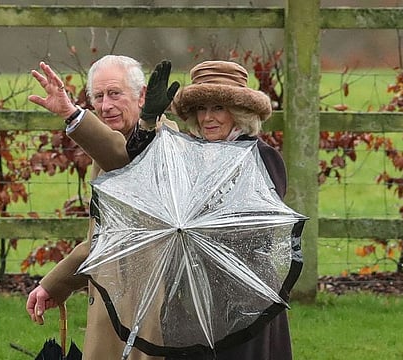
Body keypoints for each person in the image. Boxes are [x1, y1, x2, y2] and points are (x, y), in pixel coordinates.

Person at [26, 55, 178, 360]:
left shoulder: (165, 140)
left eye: (114, 93)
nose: (105, 105)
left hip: (148, 311)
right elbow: (104, 238)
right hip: (112, 308)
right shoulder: (110, 144)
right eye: (97, 96)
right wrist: (56, 284)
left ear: (143, 95)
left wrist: (72, 114)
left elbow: (127, 163)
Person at [168, 60, 292, 359]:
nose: (208, 117)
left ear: (237, 113)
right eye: (201, 109)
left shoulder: (262, 157)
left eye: (218, 108)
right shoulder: (187, 156)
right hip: (194, 292)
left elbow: (259, 225)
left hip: (246, 295)